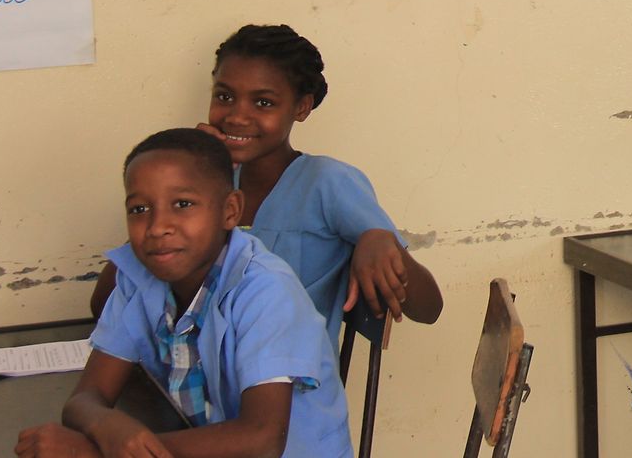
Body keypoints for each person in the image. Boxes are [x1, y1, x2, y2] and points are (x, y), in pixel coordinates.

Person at [91, 25, 442, 340]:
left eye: (263, 102)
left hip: (282, 384)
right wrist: (187, 175)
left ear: (301, 107)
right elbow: (104, 303)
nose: (237, 116)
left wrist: (380, 240)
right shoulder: (203, 185)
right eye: (225, 96)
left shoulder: (327, 182)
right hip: (194, 372)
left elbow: (429, 309)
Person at [16, 128, 351, 457]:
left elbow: (262, 439)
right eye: (139, 209)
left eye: (183, 203)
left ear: (230, 210)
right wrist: (106, 424)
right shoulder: (140, 276)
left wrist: (96, 453)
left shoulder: (266, 291)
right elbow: (86, 397)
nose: (158, 226)